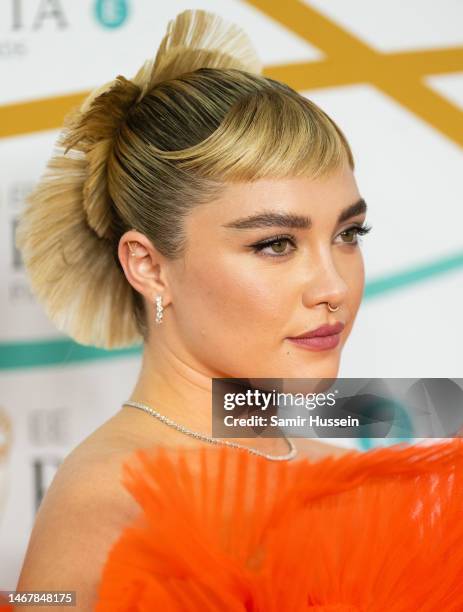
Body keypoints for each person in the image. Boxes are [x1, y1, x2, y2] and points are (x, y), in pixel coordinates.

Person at [13, 8, 463, 611]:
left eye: (349, 234)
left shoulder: (347, 475)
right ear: (148, 266)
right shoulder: (108, 504)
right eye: (275, 244)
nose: (332, 285)